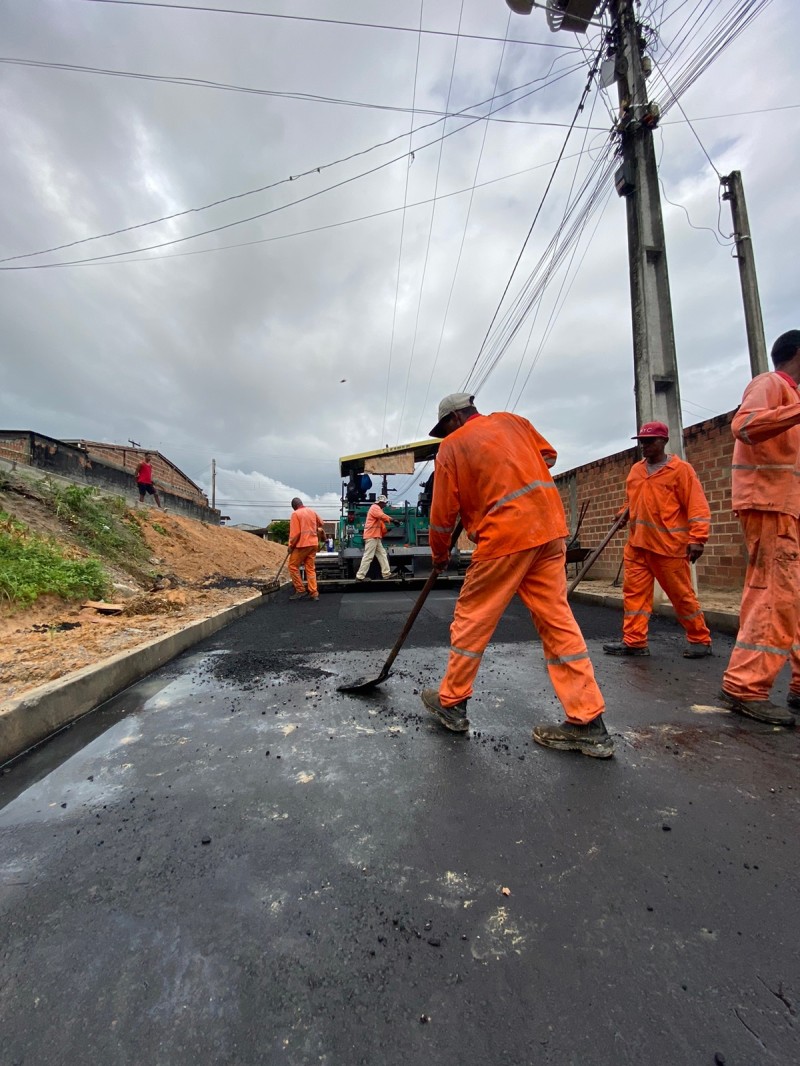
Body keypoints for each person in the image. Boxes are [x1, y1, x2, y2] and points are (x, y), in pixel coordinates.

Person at [421, 392, 613, 759]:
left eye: (443, 429)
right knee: (557, 622)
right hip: (549, 530)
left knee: (472, 620)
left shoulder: (452, 448)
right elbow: (549, 456)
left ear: (453, 420)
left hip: (505, 537)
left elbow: (442, 514)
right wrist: (507, 468)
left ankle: (452, 703)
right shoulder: (513, 421)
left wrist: (440, 554)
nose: (444, 436)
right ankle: (589, 723)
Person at [718, 330, 800, 727]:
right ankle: (746, 686)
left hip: (787, 509)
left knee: (790, 599)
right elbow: (745, 426)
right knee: (774, 598)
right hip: (768, 505)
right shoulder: (770, 385)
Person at [602, 421, 712, 659]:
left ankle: (700, 639)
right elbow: (635, 500)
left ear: (663, 441)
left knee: (681, 596)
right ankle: (634, 641)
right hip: (637, 545)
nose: (645, 446)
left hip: (668, 547)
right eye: (642, 441)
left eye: (650, 441)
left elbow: (697, 505)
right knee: (634, 596)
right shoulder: (636, 471)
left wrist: (698, 538)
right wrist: (623, 512)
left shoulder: (680, 470)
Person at [288, 497, 325, 602]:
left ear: (294, 507)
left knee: (292, 566)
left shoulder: (296, 514)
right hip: (313, 544)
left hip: (302, 545)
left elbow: (296, 533)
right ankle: (314, 593)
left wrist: (291, 546)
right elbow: (321, 523)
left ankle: (300, 590)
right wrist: (312, 526)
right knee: (310, 569)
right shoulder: (311, 511)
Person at [355, 494, 393, 581]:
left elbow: (380, 520)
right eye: (384, 503)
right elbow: (382, 516)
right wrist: (392, 519)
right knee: (368, 556)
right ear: (380, 503)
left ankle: (386, 574)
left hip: (375, 536)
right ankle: (360, 576)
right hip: (372, 536)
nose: (385, 505)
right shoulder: (375, 507)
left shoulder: (376, 508)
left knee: (382, 554)